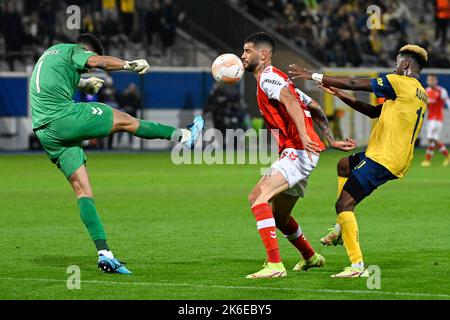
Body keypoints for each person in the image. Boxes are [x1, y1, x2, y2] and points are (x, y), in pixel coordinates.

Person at [30, 33, 204, 274]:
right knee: (126, 121)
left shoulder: (51, 55)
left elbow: (53, 80)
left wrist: (83, 84)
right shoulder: (74, 50)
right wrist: (129, 65)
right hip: (61, 116)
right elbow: (97, 62)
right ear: (85, 50)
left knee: (82, 190)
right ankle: (185, 136)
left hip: (44, 131)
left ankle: (105, 253)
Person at [289, 44, 428, 278]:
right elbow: (375, 112)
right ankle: (340, 227)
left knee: (343, 205)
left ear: (405, 65)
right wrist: (340, 95)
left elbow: (356, 83)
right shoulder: (418, 93)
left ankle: (356, 266)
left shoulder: (400, 82)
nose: (393, 67)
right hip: (393, 156)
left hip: (383, 157)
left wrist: (314, 76)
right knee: (344, 165)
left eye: (396, 63)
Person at [241, 32, 356, 279]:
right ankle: (311, 257)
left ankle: (274, 266)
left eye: (247, 51)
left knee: (259, 199)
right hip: (300, 151)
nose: (242, 55)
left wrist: (304, 136)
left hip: (298, 151)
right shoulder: (278, 79)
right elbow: (313, 106)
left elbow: (292, 103)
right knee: (280, 217)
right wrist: (330, 139)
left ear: (263, 55)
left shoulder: (268, 78)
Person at [421, 74, 450, 167]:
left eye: (433, 80)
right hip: (430, 119)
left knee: (431, 138)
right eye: (430, 80)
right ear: (427, 81)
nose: (431, 81)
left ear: (436, 81)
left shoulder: (441, 91)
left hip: (438, 119)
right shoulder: (426, 91)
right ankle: (428, 160)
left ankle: (429, 159)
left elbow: (447, 102)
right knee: (433, 139)